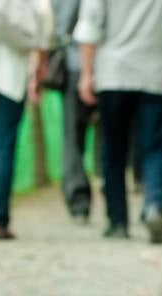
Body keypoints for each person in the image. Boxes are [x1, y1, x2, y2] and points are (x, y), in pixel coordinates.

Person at [74, 0, 162, 244]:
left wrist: (86, 74)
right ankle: (153, 205)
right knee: (155, 147)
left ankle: (117, 220)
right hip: (156, 75)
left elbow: (89, 27)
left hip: (113, 74)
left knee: (113, 149)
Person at [0, 0, 53, 240]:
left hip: (0, 72)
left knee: (1, 149)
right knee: (4, 148)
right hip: (11, 78)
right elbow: (44, 31)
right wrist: (39, 66)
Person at [51, 0, 97, 224]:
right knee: (112, 135)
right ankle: (113, 197)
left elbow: (56, 24)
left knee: (73, 138)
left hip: (75, 64)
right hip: (108, 68)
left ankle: (79, 200)